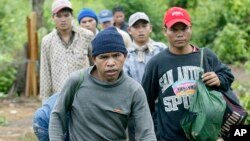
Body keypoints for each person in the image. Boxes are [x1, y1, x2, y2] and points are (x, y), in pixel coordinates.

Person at [141, 7, 235, 141]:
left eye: (184, 29)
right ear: (165, 31)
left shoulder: (205, 56)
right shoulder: (156, 63)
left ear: (191, 29)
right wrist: (156, 131)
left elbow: (228, 76)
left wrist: (219, 79)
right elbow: (144, 102)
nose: (179, 34)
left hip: (205, 134)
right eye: (174, 29)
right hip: (170, 136)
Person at [49, 27, 157, 141]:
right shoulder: (77, 81)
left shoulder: (134, 90)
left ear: (125, 56)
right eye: (104, 57)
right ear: (94, 59)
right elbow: (57, 116)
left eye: (116, 56)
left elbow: (146, 134)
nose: (111, 63)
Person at [35, 0, 93, 140]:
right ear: (53, 18)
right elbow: (45, 72)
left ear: (72, 16)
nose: (63, 19)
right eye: (58, 16)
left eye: (66, 15)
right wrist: (46, 102)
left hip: (84, 97)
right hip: (59, 98)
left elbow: (96, 64)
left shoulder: (86, 36)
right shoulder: (47, 41)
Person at [123, 12, 166, 141]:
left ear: (150, 28)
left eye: (144, 26)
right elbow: (125, 82)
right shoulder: (125, 55)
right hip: (136, 109)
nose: (140, 30)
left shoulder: (161, 49)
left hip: (162, 107)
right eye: (136, 27)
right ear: (129, 30)